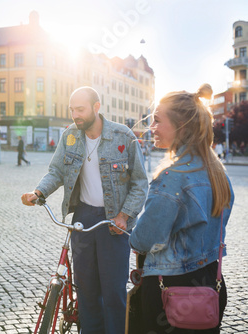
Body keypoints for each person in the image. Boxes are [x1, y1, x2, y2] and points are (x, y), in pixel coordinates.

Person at [21, 86, 148, 334]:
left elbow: (140, 184)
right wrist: (39, 193)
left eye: (80, 109)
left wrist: (124, 216)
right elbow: (57, 171)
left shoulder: (123, 136)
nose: (75, 115)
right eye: (72, 110)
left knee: (113, 293)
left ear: (96, 107)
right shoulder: (70, 135)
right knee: (86, 291)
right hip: (83, 218)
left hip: (114, 223)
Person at [129, 84, 234, 333]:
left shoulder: (172, 176)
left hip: (172, 292)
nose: (151, 127)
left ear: (181, 127)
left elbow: (144, 240)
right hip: (211, 285)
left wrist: (131, 232)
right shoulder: (218, 172)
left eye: (157, 120)